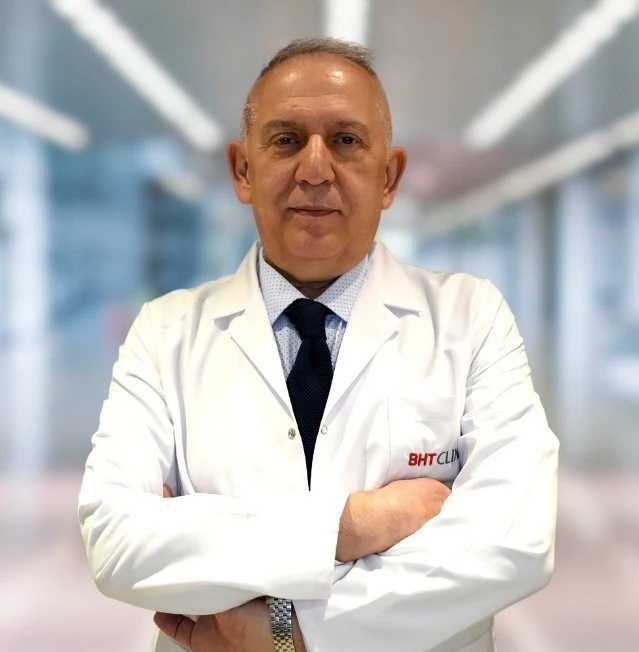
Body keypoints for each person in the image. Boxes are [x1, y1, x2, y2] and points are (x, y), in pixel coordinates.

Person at [78, 37, 559, 652]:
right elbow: (116, 539)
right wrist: (354, 526)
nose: (314, 169)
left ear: (389, 177)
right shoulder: (165, 332)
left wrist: (291, 634)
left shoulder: (470, 318)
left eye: (346, 140)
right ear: (242, 170)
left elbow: (512, 541)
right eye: (285, 140)